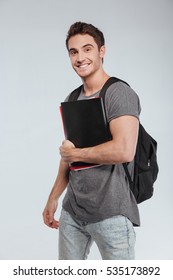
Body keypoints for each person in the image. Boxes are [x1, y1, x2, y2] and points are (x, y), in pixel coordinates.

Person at [43, 21, 141, 260]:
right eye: (73, 52)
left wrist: (75, 154)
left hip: (112, 214)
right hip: (73, 213)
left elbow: (124, 150)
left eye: (87, 49)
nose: (80, 58)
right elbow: (69, 155)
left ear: (101, 51)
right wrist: (53, 197)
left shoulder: (119, 93)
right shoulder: (73, 98)